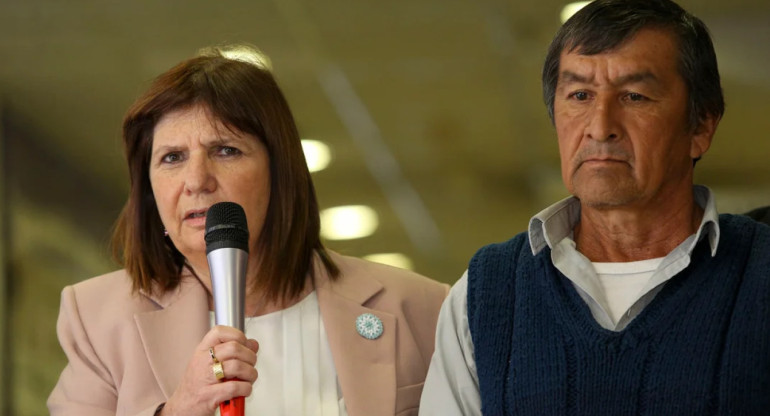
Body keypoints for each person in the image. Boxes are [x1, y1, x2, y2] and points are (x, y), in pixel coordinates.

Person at [48, 45, 448, 416]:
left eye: (225, 150)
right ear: (150, 192)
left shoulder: (420, 308)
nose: (196, 180)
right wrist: (180, 409)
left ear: (281, 172)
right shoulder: (97, 319)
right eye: (172, 157)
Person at [420, 0, 770, 414]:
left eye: (635, 96)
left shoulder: (760, 273)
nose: (601, 126)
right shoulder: (486, 294)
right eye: (580, 95)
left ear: (700, 127)